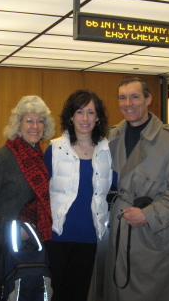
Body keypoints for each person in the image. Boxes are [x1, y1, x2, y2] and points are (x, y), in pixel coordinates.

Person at [103, 77, 169, 301]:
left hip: (154, 234)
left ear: (148, 100)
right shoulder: (112, 136)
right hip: (118, 230)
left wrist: (148, 215)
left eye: (135, 97)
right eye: (122, 98)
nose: (128, 103)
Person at [0, 95, 55, 301]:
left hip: (29, 248)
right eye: (29, 120)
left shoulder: (41, 159)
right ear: (18, 124)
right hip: (0, 248)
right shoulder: (0, 158)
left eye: (40, 120)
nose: (35, 126)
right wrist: (13, 228)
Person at [44, 89, 113, 301]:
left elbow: (117, 186)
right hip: (57, 235)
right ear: (71, 116)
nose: (85, 118)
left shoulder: (107, 151)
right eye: (80, 112)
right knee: (54, 293)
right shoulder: (55, 149)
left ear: (98, 117)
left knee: (78, 294)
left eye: (90, 112)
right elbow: (39, 193)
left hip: (89, 237)